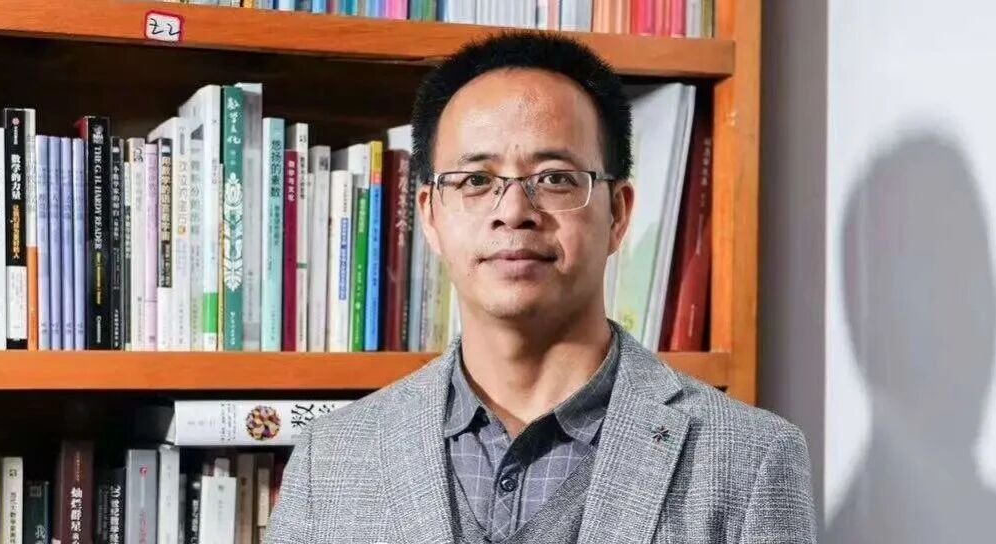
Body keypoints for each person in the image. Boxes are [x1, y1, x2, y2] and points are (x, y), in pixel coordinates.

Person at [264, 31, 815, 544]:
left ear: (618, 213)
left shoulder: (750, 459)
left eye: (554, 178)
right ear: (429, 215)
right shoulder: (328, 460)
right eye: (475, 180)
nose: (513, 211)